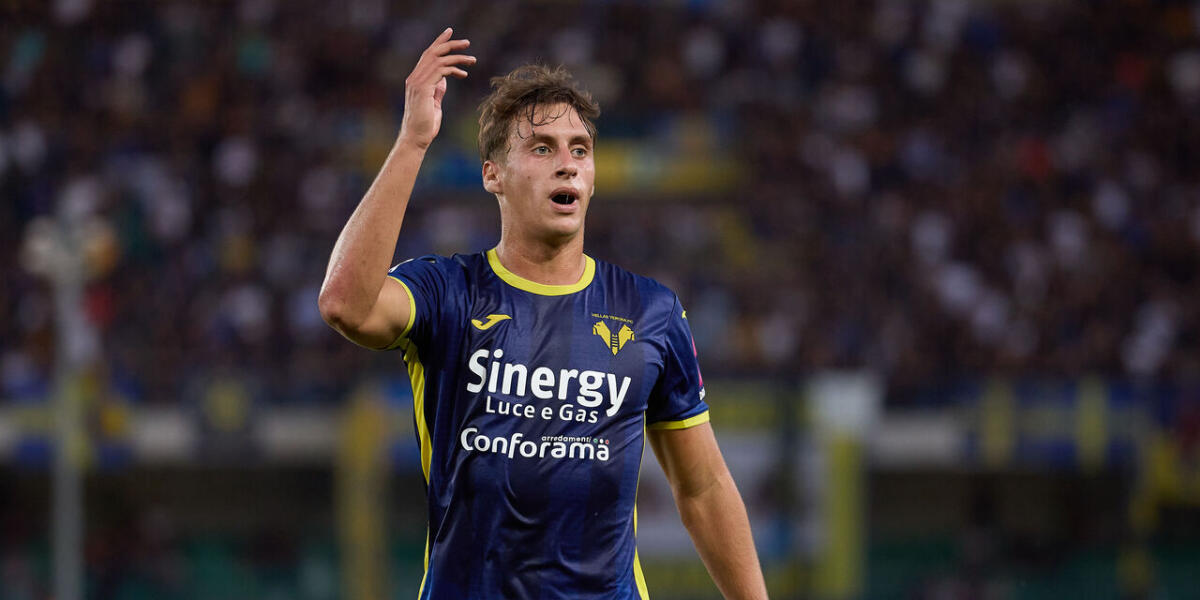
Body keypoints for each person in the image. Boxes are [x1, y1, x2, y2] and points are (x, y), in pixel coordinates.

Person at [318, 28, 768, 600]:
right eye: (541, 148)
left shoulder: (649, 311)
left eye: (580, 149)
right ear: (493, 175)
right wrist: (412, 141)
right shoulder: (447, 291)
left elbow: (703, 487)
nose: (568, 165)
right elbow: (344, 304)